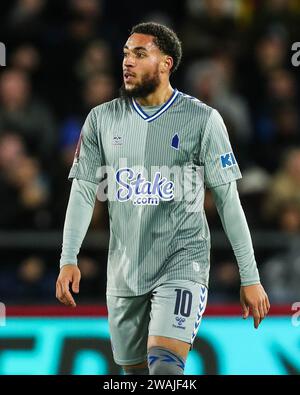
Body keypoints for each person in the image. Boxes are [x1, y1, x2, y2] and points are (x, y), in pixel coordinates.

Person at [56, 22, 270, 375]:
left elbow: (229, 200)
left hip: (182, 263)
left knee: (166, 369)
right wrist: (68, 258)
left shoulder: (203, 119)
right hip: (124, 272)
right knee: (136, 377)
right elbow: (82, 191)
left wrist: (250, 277)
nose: (127, 61)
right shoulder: (101, 120)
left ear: (166, 63)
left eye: (140, 54)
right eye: (125, 53)